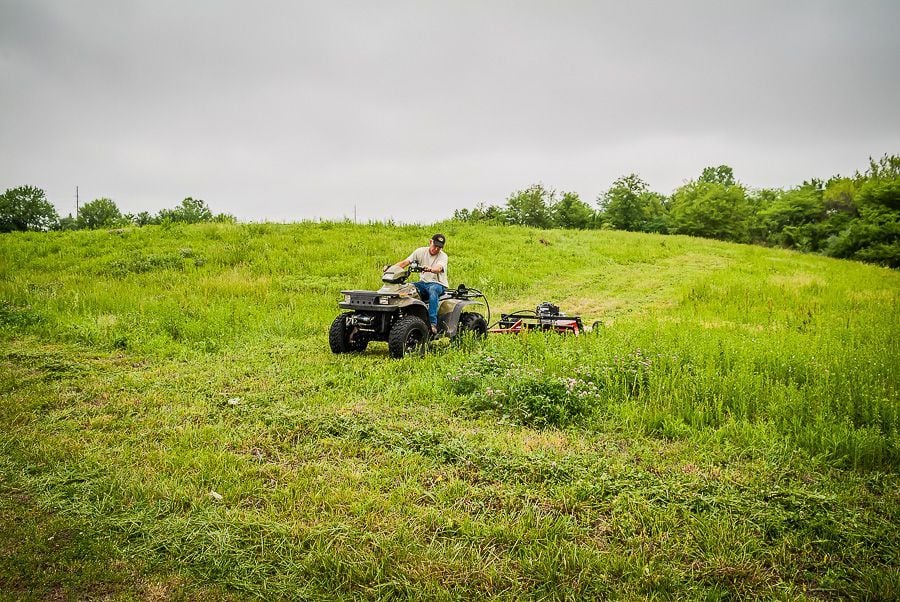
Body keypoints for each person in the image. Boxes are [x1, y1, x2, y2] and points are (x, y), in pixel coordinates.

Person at [392, 234, 448, 334]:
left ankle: (432, 324)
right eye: (435, 246)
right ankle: (404, 319)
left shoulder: (443, 256)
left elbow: (439, 268)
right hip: (423, 283)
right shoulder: (420, 251)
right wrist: (391, 268)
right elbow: (405, 262)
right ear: (430, 242)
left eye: (439, 248)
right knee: (406, 288)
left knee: (433, 290)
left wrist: (431, 269)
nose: (436, 249)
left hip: (438, 284)